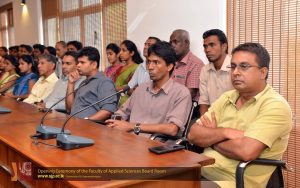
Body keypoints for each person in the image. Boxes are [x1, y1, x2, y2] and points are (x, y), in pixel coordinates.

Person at [188, 43, 292, 188]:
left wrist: (212, 137)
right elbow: (193, 134)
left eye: (244, 66)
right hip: (201, 171)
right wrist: (225, 132)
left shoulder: (275, 105)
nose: (235, 72)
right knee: (152, 178)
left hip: (233, 182)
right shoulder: (227, 97)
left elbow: (245, 151)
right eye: (233, 66)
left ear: (263, 72)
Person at [106, 41, 192, 141]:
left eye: (156, 62)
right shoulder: (141, 88)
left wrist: (132, 126)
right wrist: (115, 121)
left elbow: (172, 129)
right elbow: (122, 113)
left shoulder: (181, 93)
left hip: (155, 146)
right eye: (149, 62)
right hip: (127, 140)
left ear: (169, 66)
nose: (150, 67)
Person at [66, 46, 118, 120]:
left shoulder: (104, 82)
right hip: (73, 124)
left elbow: (107, 111)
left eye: (82, 62)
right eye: (78, 62)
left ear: (94, 65)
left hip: (88, 127)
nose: (78, 65)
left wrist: (86, 121)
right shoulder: (83, 83)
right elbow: (70, 108)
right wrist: (71, 83)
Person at [199, 29, 233, 116]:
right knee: (194, 128)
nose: (207, 50)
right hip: (212, 118)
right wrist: (205, 122)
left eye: (212, 45)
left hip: (233, 119)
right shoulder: (204, 70)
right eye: (205, 46)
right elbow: (204, 101)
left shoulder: (235, 68)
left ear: (224, 46)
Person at [169, 29, 204, 102]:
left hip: (186, 107)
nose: (172, 45)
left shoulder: (196, 64)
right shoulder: (170, 62)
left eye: (175, 42)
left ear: (187, 43)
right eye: (170, 42)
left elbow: (190, 94)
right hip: (169, 104)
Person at [115, 40, 143, 105]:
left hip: (126, 102)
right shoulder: (120, 68)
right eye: (120, 50)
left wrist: (115, 88)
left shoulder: (137, 68)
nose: (120, 53)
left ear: (132, 53)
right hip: (114, 98)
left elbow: (131, 87)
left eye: (124, 50)